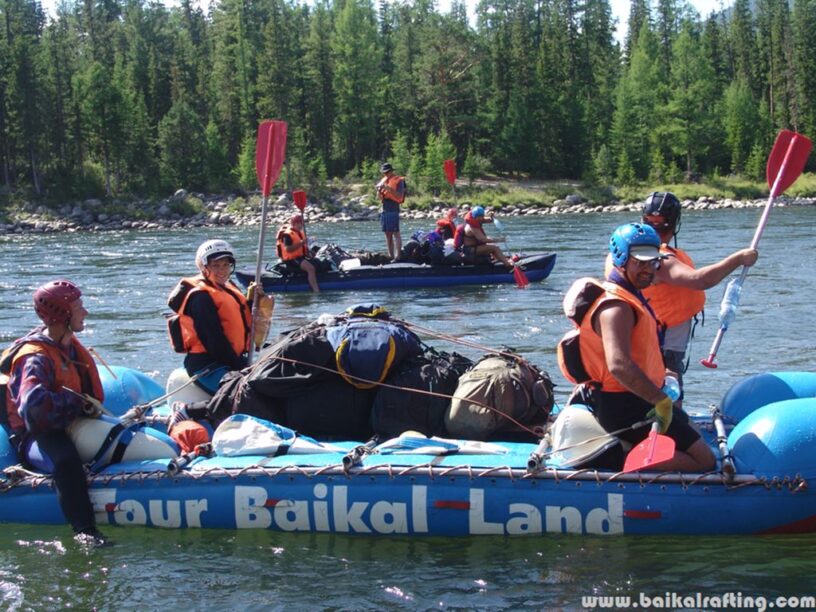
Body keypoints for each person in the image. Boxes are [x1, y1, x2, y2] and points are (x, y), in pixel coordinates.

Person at [574, 223, 715, 472]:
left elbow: (641, 353)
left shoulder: (631, 294)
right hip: (623, 406)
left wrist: (664, 377)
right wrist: (660, 400)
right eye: (641, 262)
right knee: (705, 461)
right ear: (621, 259)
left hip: (639, 399)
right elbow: (618, 365)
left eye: (653, 263)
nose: (649, 270)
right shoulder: (616, 307)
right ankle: (621, 457)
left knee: (693, 433)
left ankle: (633, 450)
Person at [0, 280, 108, 544]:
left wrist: (84, 407)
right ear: (62, 314)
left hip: (67, 422)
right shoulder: (35, 357)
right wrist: (77, 404)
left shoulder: (69, 345)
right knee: (66, 461)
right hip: (36, 435)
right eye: (78, 306)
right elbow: (35, 409)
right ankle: (85, 531)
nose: (85, 312)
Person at [639, 192, 758, 395]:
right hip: (661, 341)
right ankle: (669, 423)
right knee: (670, 390)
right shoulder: (657, 260)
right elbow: (700, 280)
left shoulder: (634, 250)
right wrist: (738, 259)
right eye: (652, 224)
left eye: (661, 224)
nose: (657, 230)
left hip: (662, 337)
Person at [168, 239, 254, 394]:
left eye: (226, 265)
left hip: (231, 358)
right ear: (203, 266)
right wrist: (240, 367)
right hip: (207, 363)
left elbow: (239, 317)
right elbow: (214, 340)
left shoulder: (227, 286)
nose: (222, 270)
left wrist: (253, 300)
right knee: (247, 393)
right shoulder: (200, 297)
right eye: (216, 265)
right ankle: (188, 412)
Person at [276, 213, 320, 292]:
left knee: (317, 262)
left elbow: (302, 246)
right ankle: (316, 290)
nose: (302, 225)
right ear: (295, 223)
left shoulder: (299, 232)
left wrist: (309, 252)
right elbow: (288, 249)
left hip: (300, 257)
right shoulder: (287, 235)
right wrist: (302, 242)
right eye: (301, 223)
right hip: (291, 259)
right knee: (311, 269)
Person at [376, 162, 406, 261]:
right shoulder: (383, 181)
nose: (385, 174)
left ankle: (398, 256)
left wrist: (389, 188)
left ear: (391, 171)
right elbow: (379, 198)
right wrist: (379, 191)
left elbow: (399, 196)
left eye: (387, 172)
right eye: (384, 173)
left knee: (395, 232)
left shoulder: (399, 181)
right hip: (384, 209)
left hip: (393, 208)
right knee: (387, 233)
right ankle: (391, 256)